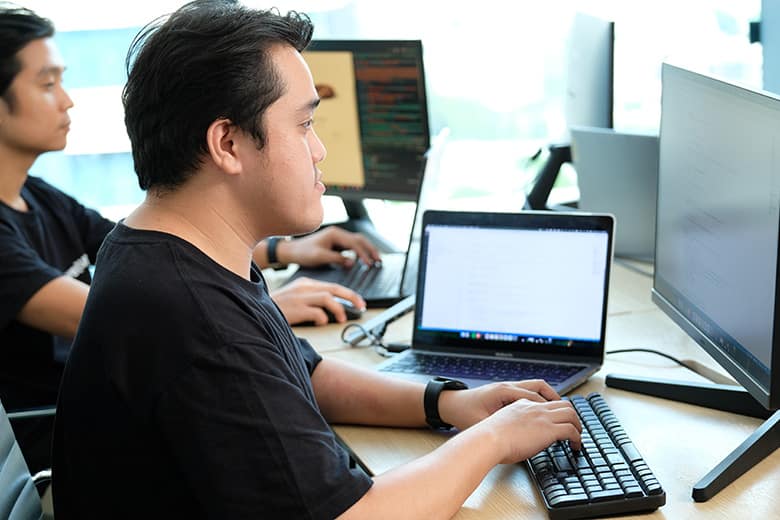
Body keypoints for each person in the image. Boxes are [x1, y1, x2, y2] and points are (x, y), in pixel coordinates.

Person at [52, 1, 582, 518]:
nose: (319, 150)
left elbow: (305, 374)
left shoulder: (163, 247)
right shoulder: (192, 316)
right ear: (228, 143)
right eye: (304, 125)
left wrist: (446, 402)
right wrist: (493, 439)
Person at [0, 2, 380, 473]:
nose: (68, 100)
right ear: (226, 143)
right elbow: (133, 319)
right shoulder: (176, 306)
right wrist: (255, 314)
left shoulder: (39, 198)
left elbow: (126, 239)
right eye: (47, 83)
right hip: (61, 448)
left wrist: (284, 251)